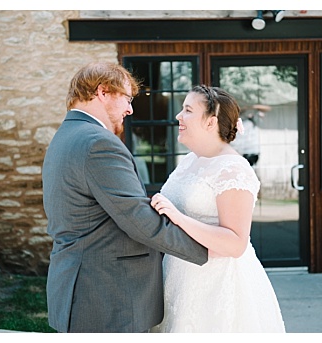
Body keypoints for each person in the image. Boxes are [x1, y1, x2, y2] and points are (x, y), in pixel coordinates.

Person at [42, 61, 209, 333]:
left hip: (80, 284)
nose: (130, 109)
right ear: (103, 92)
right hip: (106, 295)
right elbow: (138, 219)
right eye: (127, 99)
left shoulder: (65, 136)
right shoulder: (98, 143)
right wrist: (207, 251)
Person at [149, 85, 285, 332]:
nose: (179, 116)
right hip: (179, 275)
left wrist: (178, 218)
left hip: (217, 282)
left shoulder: (233, 169)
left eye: (188, 110)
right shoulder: (191, 159)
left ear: (211, 122)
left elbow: (234, 243)